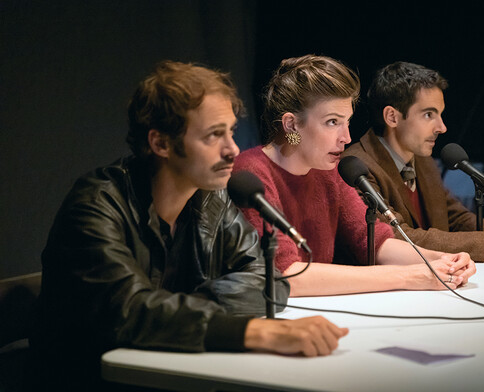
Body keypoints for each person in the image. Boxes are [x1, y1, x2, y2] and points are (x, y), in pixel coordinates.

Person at [28, 60, 348, 391]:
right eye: (213, 135)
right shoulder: (96, 205)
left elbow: (269, 280)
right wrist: (253, 331)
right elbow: (128, 310)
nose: (232, 150)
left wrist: (177, 311)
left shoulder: (212, 199)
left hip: (170, 371)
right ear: (161, 143)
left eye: (231, 132)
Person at [233, 55, 476, 297]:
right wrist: (412, 276)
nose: (346, 137)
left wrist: (444, 260)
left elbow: (375, 241)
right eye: (332, 122)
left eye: (347, 122)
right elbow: (287, 274)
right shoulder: (252, 172)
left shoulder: (327, 171)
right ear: (291, 125)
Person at [342, 61, 484, 262]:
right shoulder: (356, 167)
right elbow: (397, 238)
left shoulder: (422, 160)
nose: (442, 127)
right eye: (429, 115)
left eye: (440, 114)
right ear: (392, 117)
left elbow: (455, 217)